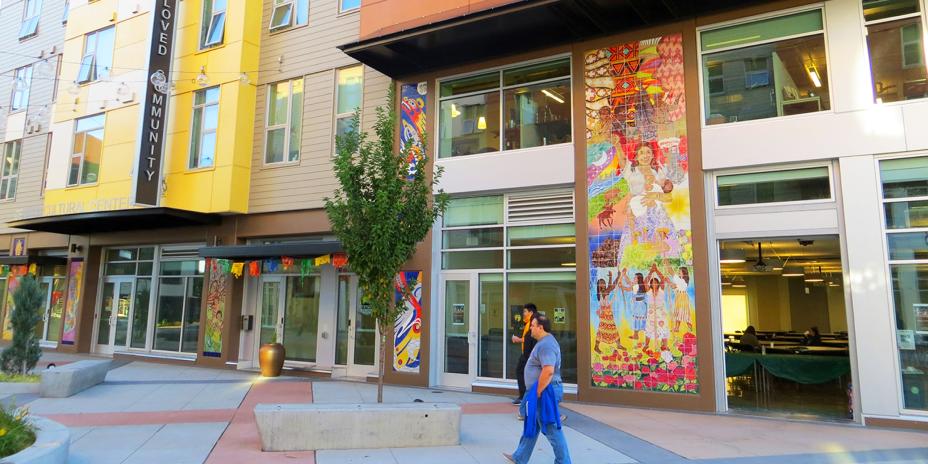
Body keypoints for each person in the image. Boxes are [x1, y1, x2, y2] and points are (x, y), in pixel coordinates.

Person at [505, 314, 571, 464]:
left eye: (533, 326)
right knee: (532, 426)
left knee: (551, 428)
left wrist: (538, 392)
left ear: (541, 327)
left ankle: (563, 461)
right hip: (539, 391)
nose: (531, 329)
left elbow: (548, 370)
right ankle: (519, 457)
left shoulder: (546, 345)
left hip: (544, 391)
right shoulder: (544, 342)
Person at [510, 303, 538, 406]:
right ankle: (524, 396)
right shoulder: (527, 323)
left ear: (531, 312)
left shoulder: (532, 323)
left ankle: (523, 397)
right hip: (526, 353)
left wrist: (518, 339)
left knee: (521, 372)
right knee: (522, 372)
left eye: (525, 311)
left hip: (529, 354)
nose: (523, 314)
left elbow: (530, 339)